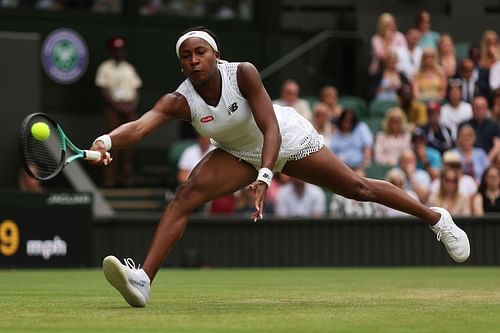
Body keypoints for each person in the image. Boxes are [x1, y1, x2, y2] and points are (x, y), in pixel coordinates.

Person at [89, 26, 470, 308]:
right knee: (185, 196)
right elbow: (139, 127)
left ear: (215, 54)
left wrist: (265, 176)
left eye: (200, 52)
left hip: (284, 136)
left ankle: (435, 218)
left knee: (358, 188)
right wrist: (107, 140)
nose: (193, 60)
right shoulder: (180, 100)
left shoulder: (243, 73)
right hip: (238, 151)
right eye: (186, 55)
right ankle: (142, 280)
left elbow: (269, 126)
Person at [95, 36, 142, 187]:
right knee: (111, 142)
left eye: (121, 49)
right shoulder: (105, 67)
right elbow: (103, 90)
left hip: (129, 108)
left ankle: (126, 177)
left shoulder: (129, 68)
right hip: (113, 109)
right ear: (111, 51)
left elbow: (136, 89)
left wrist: (131, 105)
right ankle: (110, 179)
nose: (119, 52)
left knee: (129, 144)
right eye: (116, 50)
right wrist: (117, 106)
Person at [368, 12, 407, 76]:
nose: (391, 27)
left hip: (397, 71)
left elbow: (403, 56)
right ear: (382, 26)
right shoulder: (376, 38)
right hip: (379, 71)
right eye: (388, 25)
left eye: (392, 24)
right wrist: (387, 41)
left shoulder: (400, 36)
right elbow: (382, 58)